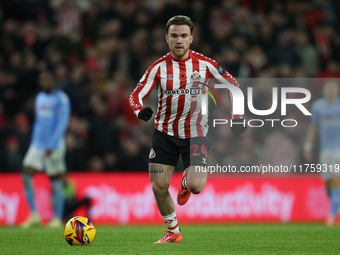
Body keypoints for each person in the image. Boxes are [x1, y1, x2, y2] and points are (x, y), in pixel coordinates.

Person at [129, 15, 246, 243]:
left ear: (191, 38)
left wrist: (238, 116)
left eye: (183, 36)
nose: (179, 40)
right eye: (174, 36)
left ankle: (185, 181)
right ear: (167, 38)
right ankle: (173, 231)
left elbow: (234, 86)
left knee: (196, 186)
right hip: (164, 133)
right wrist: (139, 110)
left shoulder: (205, 64)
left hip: (195, 134)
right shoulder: (158, 68)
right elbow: (136, 94)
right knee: (159, 185)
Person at [21, 71, 71, 228]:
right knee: (26, 174)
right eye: (42, 81)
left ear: (53, 81)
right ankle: (34, 215)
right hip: (37, 144)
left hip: (54, 146)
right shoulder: (39, 98)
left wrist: (52, 144)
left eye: (47, 80)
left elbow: (62, 123)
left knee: (56, 179)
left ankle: (57, 218)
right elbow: (38, 123)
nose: (45, 83)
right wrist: (35, 142)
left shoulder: (61, 98)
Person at [304, 80, 340, 226]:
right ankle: (335, 208)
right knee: (327, 181)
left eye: (334, 88)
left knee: (336, 177)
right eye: (328, 88)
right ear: (324, 90)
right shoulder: (318, 106)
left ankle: (331, 214)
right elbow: (313, 127)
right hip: (325, 150)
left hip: (339, 149)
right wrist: (308, 145)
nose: (331, 91)